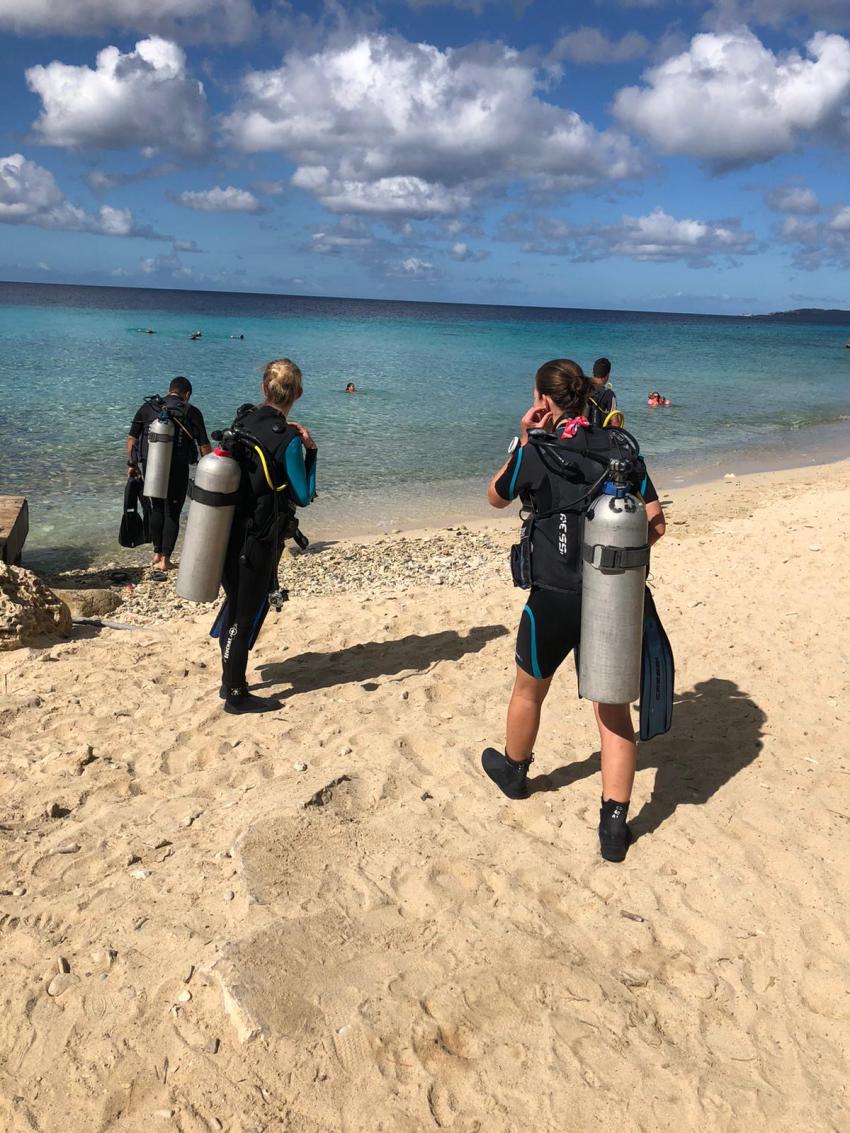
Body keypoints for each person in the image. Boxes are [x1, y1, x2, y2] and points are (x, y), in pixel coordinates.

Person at [483, 359, 666, 862]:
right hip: (613, 597)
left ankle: (515, 772)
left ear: (543, 401)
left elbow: (496, 496)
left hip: (554, 597)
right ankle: (613, 826)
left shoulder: (538, 451)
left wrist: (523, 438)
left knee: (529, 689)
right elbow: (655, 524)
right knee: (613, 712)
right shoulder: (622, 450)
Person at [217, 358, 317, 714]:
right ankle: (235, 694)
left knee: (235, 605)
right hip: (257, 538)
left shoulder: (243, 420)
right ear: (299, 394)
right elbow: (303, 495)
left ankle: (229, 678)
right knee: (245, 615)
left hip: (224, 530)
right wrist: (312, 452)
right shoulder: (288, 439)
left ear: (263, 389)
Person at [127, 376, 211, 575]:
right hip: (178, 468)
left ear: (168, 390)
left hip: (151, 465)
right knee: (172, 512)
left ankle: (156, 554)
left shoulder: (148, 408)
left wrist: (132, 465)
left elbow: (132, 439)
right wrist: (211, 471)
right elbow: (204, 446)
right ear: (187, 395)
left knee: (156, 508)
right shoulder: (191, 411)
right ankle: (165, 560)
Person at [586, 357, 622, 428]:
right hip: (600, 434)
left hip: (582, 432)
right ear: (607, 375)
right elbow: (615, 422)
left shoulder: (581, 387)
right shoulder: (609, 394)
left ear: (593, 373)